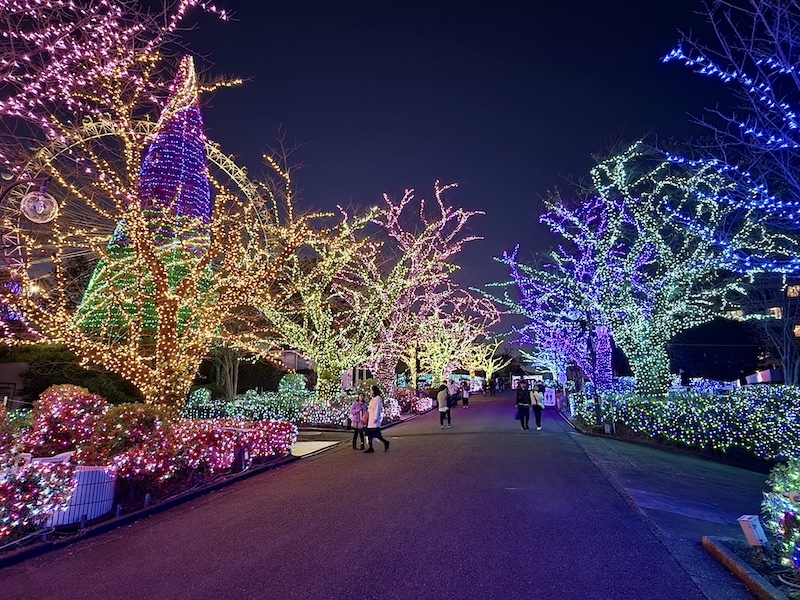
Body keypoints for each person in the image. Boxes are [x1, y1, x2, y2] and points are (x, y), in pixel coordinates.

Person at [364, 385, 390, 453]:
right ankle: (371, 447)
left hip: (374, 419)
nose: (370, 392)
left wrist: (375, 418)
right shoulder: (373, 399)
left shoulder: (378, 398)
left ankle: (385, 442)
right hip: (370, 419)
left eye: (371, 390)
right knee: (370, 433)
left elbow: (377, 409)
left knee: (375, 433)